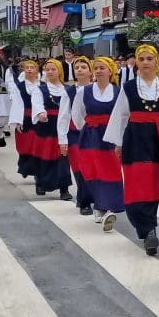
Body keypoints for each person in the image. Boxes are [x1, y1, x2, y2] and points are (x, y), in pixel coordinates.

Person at [105, 45, 159, 255]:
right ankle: (146, 228)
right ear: (136, 62)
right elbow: (121, 115)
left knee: (155, 185)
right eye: (141, 59)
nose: (145, 62)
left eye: (149, 58)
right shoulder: (128, 87)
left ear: (156, 62)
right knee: (137, 186)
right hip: (136, 138)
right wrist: (118, 142)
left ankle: (150, 228)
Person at [71, 57, 125, 231]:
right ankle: (99, 205)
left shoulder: (118, 92)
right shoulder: (84, 92)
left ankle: (107, 206)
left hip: (110, 136)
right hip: (91, 136)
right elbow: (77, 114)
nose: (99, 71)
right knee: (92, 170)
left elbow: (124, 116)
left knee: (111, 171)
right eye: (96, 68)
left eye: (103, 68)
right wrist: (87, 128)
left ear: (111, 71)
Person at [30, 59, 73, 201]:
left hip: (63, 126)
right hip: (46, 125)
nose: (50, 72)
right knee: (45, 155)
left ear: (59, 70)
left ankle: (64, 188)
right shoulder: (40, 89)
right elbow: (36, 103)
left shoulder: (67, 89)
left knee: (63, 156)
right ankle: (41, 181)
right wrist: (40, 113)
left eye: (53, 69)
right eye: (47, 69)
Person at [57, 56, 94, 215]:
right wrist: (62, 139)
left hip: (94, 132)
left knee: (94, 166)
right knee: (79, 168)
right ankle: (84, 201)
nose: (79, 70)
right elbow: (63, 115)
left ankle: (96, 198)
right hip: (74, 133)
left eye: (83, 67)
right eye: (77, 67)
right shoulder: (69, 91)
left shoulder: (98, 89)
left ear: (90, 71)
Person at [7, 59, 42, 183]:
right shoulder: (19, 86)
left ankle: (37, 171)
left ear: (37, 70)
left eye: (32, 67)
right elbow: (16, 104)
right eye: (27, 67)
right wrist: (18, 121)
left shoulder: (42, 85)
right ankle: (25, 165)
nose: (29, 69)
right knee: (25, 145)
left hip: (38, 118)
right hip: (24, 117)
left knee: (37, 144)